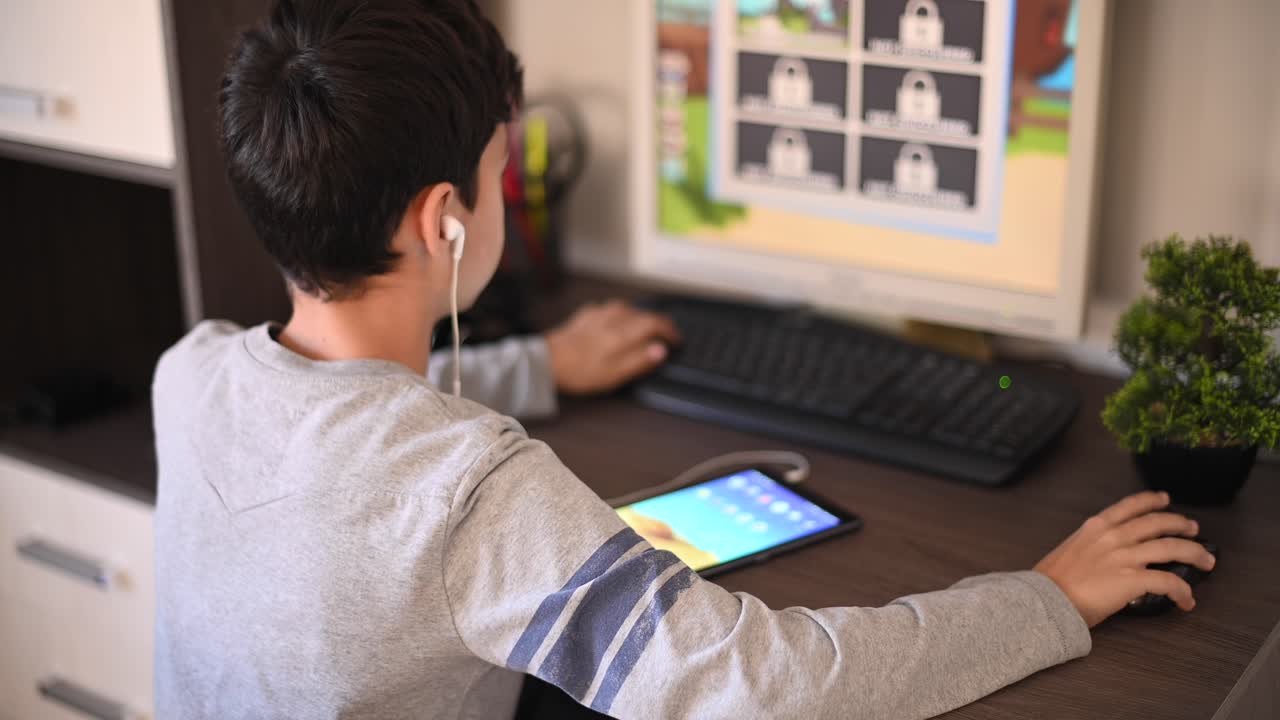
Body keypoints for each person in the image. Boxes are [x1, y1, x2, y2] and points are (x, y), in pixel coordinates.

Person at [151, 1, 1216, 718]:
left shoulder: (188, 376)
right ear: (446, 222)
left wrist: (542, 364)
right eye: (498, 171)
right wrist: (1048, 597)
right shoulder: (472, 494)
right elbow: (761, 690)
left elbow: (346, 423)